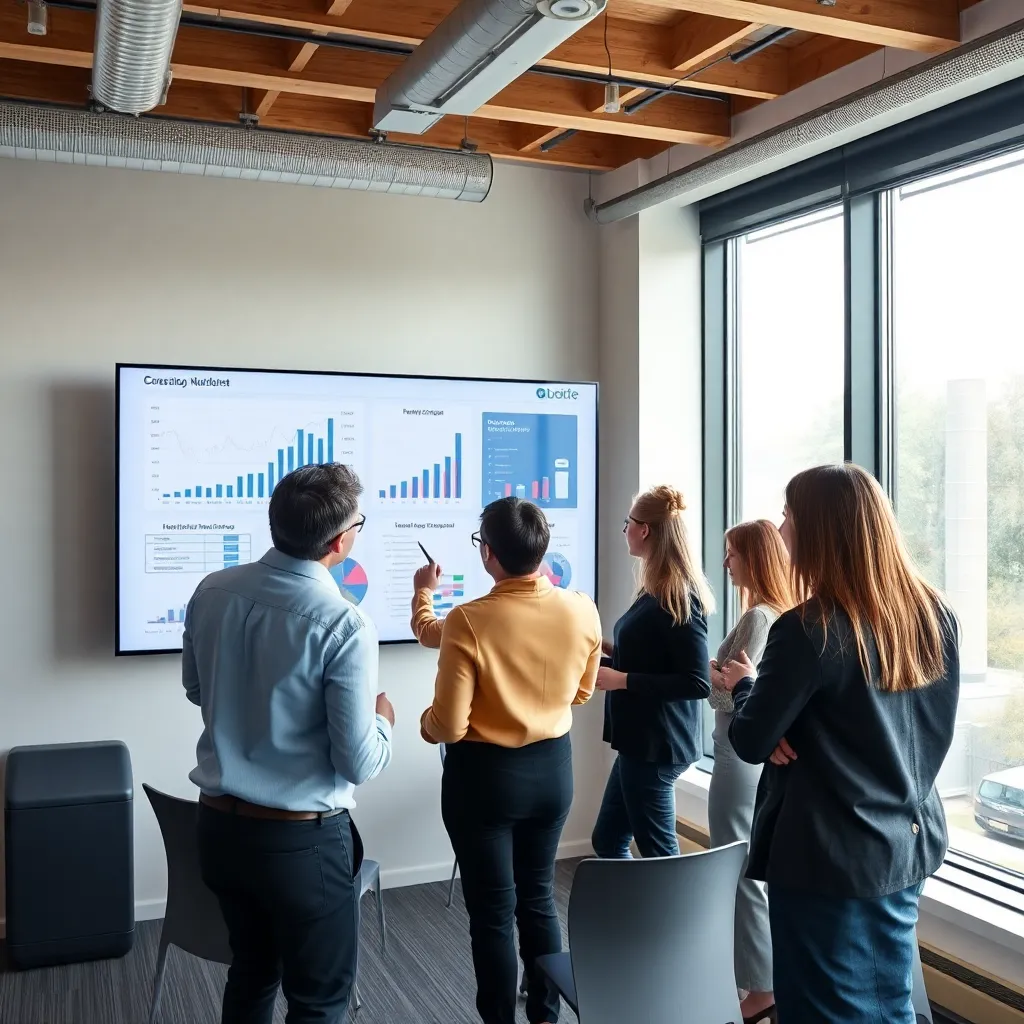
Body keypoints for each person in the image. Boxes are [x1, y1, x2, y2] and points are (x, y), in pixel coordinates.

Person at [720, 464, 960, 1024]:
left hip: (827, 857)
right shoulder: (934, 615)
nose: (780, 531)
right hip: (904, 842)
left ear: (821, 530)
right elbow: (895, 725)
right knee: (886, 998)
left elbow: (752, 738)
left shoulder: (809, 628)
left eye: (788, 515)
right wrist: (786, 721)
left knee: (823, 1007)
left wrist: (752, 688)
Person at [183, 464, 394, 1024]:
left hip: (219, 834)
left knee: (251, 973)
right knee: (318, 1003)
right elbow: (358, 760)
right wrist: (385, 722)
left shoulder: (211, 590)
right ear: (339, 541)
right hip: (298, 847)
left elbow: (195, 689)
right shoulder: (343, 623)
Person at [411, 497, 602, 1024]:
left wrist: (424, 725)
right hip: (552, 774)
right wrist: (423, 601)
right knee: (538, 899)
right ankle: (546, 1014)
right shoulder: (581, 608)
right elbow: (582, 694)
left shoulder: (472, 621)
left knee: (493, 914)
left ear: (489, 554)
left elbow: (447, 725)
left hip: (484, 782)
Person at [592, 484, 714, 859]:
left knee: (660, 854)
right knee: (608, 841)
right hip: (639, 743)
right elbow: (655, 656)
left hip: (657, 746)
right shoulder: (654, 588)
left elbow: (697, 682)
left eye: (627, 523)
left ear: (644, 529)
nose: (625, 529)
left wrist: (621, 679)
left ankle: (675, 919)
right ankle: (636, 917)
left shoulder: (680, 594)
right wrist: (611, 654)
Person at [708, 520, 794, 1024]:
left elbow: (736, 695)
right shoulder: (765, 614)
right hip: (734, 751)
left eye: (732, 554)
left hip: (737, 754)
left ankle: (761, 988)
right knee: (744, 864)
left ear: (754, 558)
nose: (726, 564)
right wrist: (720, 677)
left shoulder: (762, 618)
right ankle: (759, 976)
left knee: (739, 865)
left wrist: (718, 678)